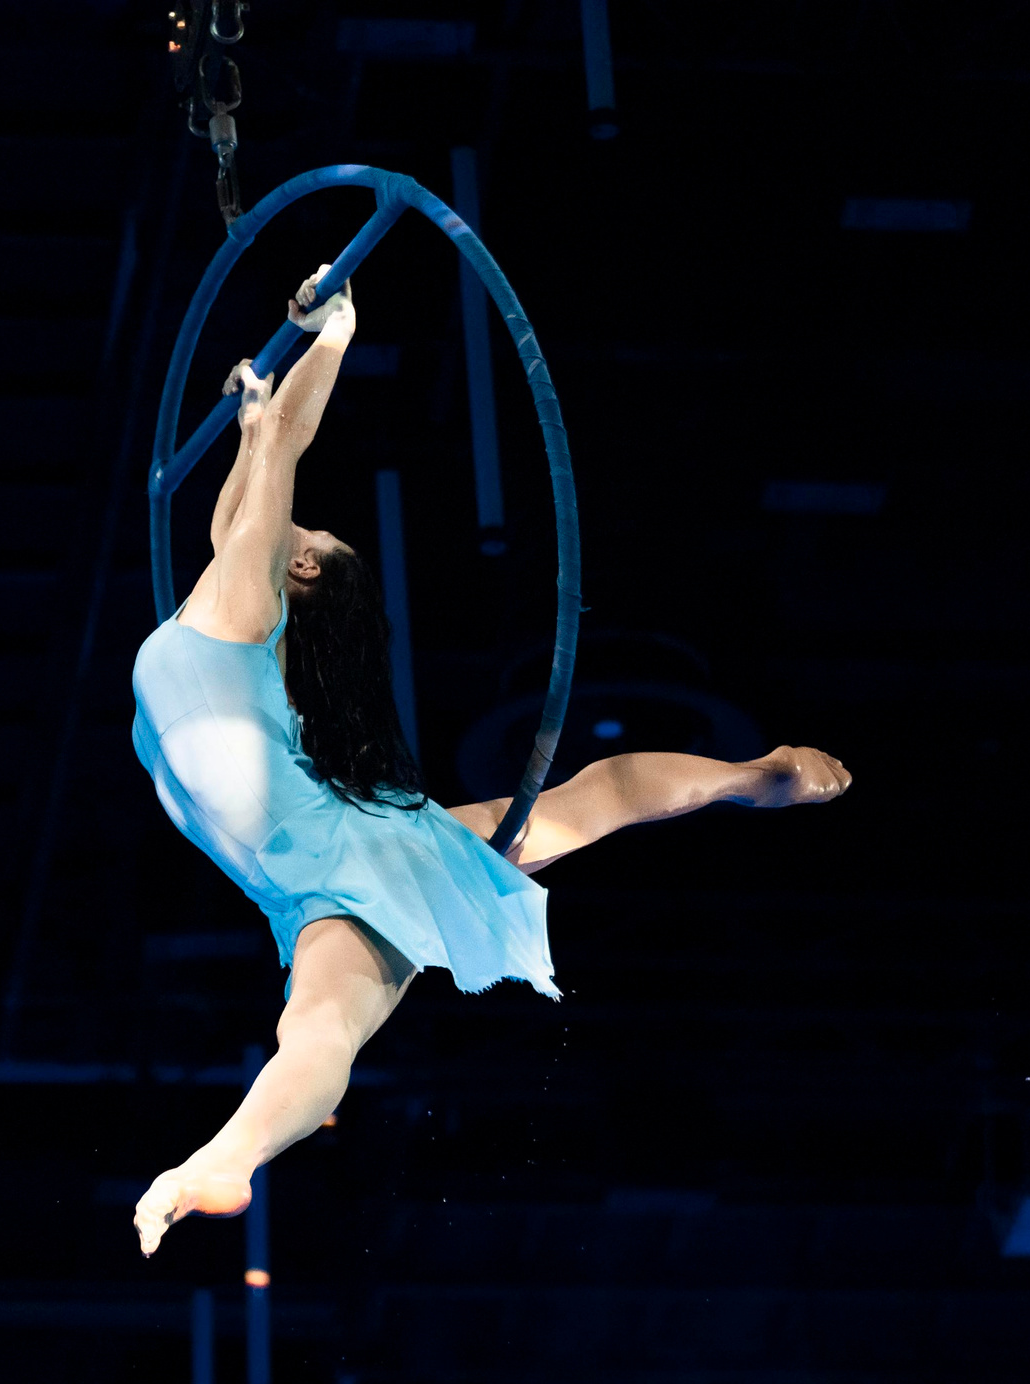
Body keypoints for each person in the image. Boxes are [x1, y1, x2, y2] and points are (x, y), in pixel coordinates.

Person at [129, 268, 851, 1256]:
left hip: (305, 857)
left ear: (297, 570)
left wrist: (331, 336)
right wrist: (260, 419)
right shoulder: (242, 603)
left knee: (337, 1019)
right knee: (346, 1011)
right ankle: (231, 1155)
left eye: (303, 533)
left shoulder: (241, 606)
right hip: (308, 861)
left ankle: (749, 777)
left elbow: (279, 457)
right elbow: (250, 486)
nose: (281, 523)